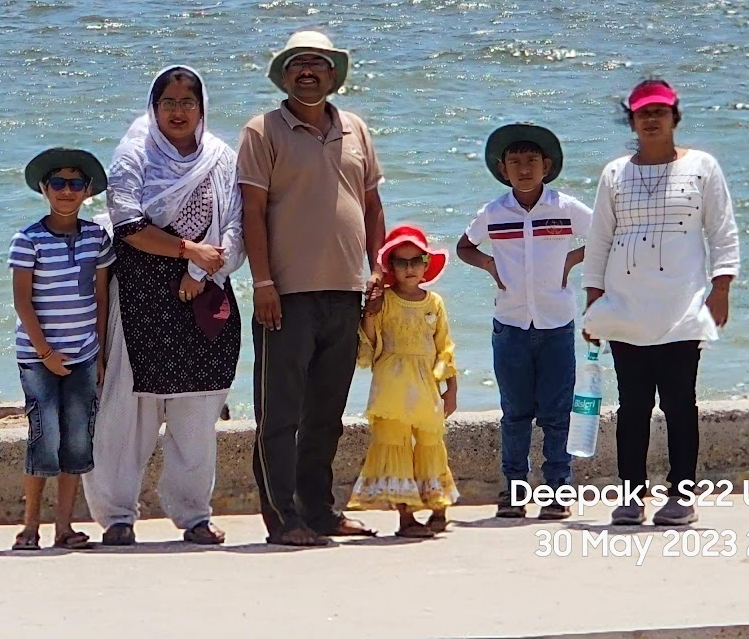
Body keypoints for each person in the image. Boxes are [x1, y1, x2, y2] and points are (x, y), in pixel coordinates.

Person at [238, 29, 387, 547]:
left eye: (318, 64)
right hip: (286, 295)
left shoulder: (356, 129)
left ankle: (320, 511)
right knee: (279, 414)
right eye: (297, 63)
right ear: (283, 75)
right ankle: (283, 518)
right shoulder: (263, 131)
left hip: (347, 292)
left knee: (327, 413)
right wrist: (262, 281)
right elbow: (252, 211)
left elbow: (371, 206)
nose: (308, 71)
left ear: (333, 74)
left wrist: (378, 269)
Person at [85, 66, 243, 546]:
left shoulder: (221, 159)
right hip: (139, 297)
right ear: (153, 108)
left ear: (202, 107)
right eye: (168, 102)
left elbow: (236, 230)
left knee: (196, 413)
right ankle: (116, 516)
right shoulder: (133, 154)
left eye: (187, 102)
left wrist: (200, 272)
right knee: (124, 414)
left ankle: (194, 514)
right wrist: (188, 252)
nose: (178, 111)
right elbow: (128, 223)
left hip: (204, 297)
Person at [581, 79, 740, 527]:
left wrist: (721, 287)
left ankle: (681, 495)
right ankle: (631, 497)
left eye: (660, 112)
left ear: (675, 117)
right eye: (642, 113)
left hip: (683, 310)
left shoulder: (703, 167)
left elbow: (722, 232)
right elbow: (599, 242)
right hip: (626, 309)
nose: (651, 120)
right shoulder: (614, 173)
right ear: (631, 120)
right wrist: (594, 305)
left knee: (679, 405)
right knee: (632, 407)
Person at [456, 122, 592, 521]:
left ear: (546, 166)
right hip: (510, 323)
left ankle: (556, 492)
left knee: (556, 412)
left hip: (555, 323)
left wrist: (572, 258)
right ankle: (514, 491)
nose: (524, 168)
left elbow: (606, 233)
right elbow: (465, 245)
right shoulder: (493, 213)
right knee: (515, 413)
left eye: (532, 160)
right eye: (515, 162)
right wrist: (487, 263)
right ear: (503, 170)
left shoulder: (566, 208)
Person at [8, 147, 115, 551]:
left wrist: (101, 354)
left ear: (87, 191)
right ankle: (29, 527)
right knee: (43, 435)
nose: (66, 191)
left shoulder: (96, 238)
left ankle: (64, 528)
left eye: (75, 184)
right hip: (38, 358)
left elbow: (101, 298)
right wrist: (46, 352)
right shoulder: (27, 239)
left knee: (76, 440)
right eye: (58, 183)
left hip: (85, 354)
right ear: (43, 189)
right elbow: (23, 301)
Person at [348, 225, 459, 537]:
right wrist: (369, 314)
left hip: (426, 384)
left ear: (426, 265)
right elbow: (370, 345)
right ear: (390, 267)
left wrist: (451, 389)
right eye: (401, 261)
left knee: (430, 443)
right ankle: (406, 518)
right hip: (391, 384)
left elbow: (445, 347)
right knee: (394, 445)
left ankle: (439, 511)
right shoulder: (385, 302)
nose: (409, 268)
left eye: (416, 260)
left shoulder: (434, 302)